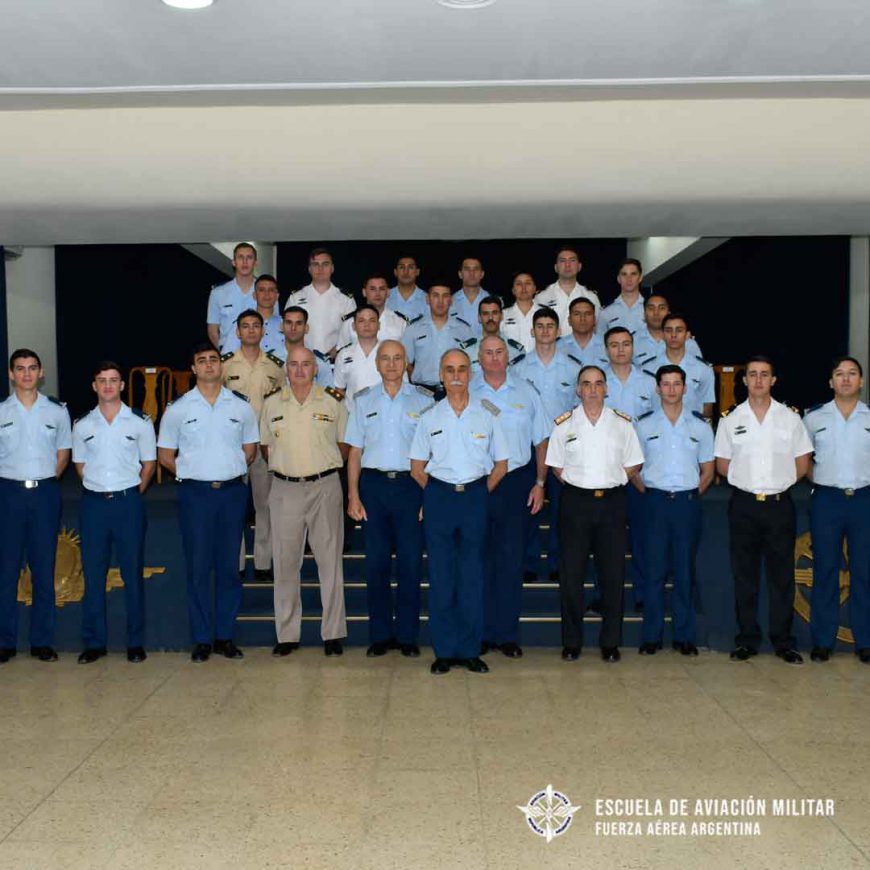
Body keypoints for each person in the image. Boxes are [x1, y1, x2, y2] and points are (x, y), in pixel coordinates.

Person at [157, 343, 259, 663]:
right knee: (199, 567)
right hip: (196, 495)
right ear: (194, 368)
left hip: (231, 494)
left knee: (230, 567)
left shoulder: (241, 406)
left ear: (221, 366)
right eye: (202, 361)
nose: (209, 365)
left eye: (214, 360)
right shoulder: (178, 409)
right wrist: (192, 473)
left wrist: (226, 470)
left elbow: (251, 449)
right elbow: (165, 456)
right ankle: (202, 638)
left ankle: (225, 636)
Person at [410, 349, 509, 675]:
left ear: (471, 374)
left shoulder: (488, 414)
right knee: (441, 577)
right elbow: (416, 467)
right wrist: (439, 494)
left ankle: (469, 650)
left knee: (471, 576)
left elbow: (501, 464)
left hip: (475, 497)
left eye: (462, 369)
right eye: (449, 369)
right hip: (439, 497)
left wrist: (478, 493)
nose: (455, 375)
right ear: (441, 374)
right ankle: (444, 650)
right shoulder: (429, 416)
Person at [714, 356, 813, 664]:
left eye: (764, 375)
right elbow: (722, 463)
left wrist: (777, 483)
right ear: (744, 381)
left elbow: (802, 462)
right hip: (743, 505)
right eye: (752, 375)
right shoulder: (731, 418)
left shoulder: (790, 418)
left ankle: (784, 641)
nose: (758, 380)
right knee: (745, 576)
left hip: (779, 505)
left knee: (782, 577)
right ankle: (747, 640)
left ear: (773, 380)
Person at [546, 365, 644, 663]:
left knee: (613, 575)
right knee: (571, 576)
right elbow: (556, 468)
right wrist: (582, 487)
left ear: (606, 389)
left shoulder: (622, 424)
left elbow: (633, 465)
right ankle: (572, 643)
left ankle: (610, 643)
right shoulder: (564, 425)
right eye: (586, 384)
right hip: (575, 502)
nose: (592, 389)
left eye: (598, 384)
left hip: (612, 503)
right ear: (578, 389)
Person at [345, 341, 433, 657]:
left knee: (410, 564)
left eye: (398, 358)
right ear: (378, 364)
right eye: (386, 358)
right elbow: (355, 452)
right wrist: (353, 495)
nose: (392, 364)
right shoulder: (363, 400)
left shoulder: (424, 401)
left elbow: (431, 454)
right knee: (377, 564)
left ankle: (408, 636)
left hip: (412, 488)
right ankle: (381, 635)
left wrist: (428, 497)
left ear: (406, 362)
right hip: (374, 487)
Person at [260, 346, 349, 657]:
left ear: (316, 369)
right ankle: (287, 634)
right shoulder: (271, 404)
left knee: (330, 563)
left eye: (306, 365)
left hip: (325, 486)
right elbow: (265, 447)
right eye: (294, 365)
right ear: (287, 369)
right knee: (285, 563)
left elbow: (344, 445)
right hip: (285, 489)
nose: (299, 370)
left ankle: (333, 634)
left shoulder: (333, 402)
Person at [72, 361, 156, 664]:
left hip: (128, 503)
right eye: (102, 381)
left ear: (122, 385)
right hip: (94, 505)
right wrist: (100, 488)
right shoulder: (82, 425)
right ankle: (95, 643)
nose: (108, 386)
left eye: (113, 380)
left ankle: (135, 643)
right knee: (93, 575)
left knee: (132, 573)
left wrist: (131, 492)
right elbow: (79, 466)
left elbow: (149, 464)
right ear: (94, 386)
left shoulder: (140, 422)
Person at [471, 336, 549, 658]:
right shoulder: (468, 391)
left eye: (499, 352)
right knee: (478, 561)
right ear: (478, 357)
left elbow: (542, 440)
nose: (493, 358)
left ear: (508, 356)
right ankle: (481, 633)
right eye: (487, 353)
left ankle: (506, 635)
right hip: (479, 482)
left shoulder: (526, 392)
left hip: (516, 482)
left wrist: (541, 482)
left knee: (511, 561)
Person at [633, 365, 714, 656]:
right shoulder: (642, 425)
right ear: (657, 389)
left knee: (684, 571)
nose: (670, 389)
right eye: (665, 384)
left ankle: (684, 636)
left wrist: (690, 494)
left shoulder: (700, 426)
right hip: (653, 503)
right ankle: (651, 636)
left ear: (684, 388)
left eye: (676, 384)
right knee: (653, 571)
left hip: (686, 505)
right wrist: (649, 493)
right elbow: (633, 468)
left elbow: (708, 470)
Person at [0, 349, 71, 664]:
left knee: (44, 568)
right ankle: (5, 642)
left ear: (41, 373)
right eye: (20, 369)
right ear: (11, 374)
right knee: (6, 570)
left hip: (44, 494)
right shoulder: (1, 411)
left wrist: (43, 482)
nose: (27, 374)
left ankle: (42, 641)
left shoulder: (56, 412)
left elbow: (63, 454)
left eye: (32, 368)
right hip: (8, 494)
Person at [803, 356, 870, 663]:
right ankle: (822, 640)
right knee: (826, 570)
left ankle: (865, 641)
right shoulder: (814, 418)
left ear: (861, 381)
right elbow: (803, 461)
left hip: (864, 500)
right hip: (827, 500)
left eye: (852, 374)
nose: (846, 379)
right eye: (839, 374)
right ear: (830, 382)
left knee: (864, 572)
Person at [515, 308, 581, 582]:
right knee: (528, 506)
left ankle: (557, 562)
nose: (544, 331)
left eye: (549, 326)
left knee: (562, 511)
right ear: (532, 331)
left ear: (558, 331)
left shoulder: (573, 367)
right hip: (529, 448)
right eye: (539, 326)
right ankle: (529, 562)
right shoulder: (518, 368)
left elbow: (579, 411)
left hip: (563, 448)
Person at [221, 310, 287, 581]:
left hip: (264, 445)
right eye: (245, 326)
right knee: (235, 507)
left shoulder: (274, 366)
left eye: (255, 326)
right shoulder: (224, 365)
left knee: (265, 505)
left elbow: (282, 404)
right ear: (237, 332)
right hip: (233, 447)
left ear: (263, 331)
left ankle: (263, 561)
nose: (250, 331)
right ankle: (235, 562)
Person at [602, 326, 656, 609]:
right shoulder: (598, 383)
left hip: (640, 475)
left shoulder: (649, 384)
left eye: (625, 344)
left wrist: (637, 474)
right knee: (603, 544)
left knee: (641, 541)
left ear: (633, 347)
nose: (620, 350)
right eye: (614, 345)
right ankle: (605, 598)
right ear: (606, 349)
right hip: (603, 474)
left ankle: (642, 596)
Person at [402, 281, 474, 398]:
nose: (440, 301)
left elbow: (472, 362)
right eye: (435, 295)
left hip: (455, 391)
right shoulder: (414, 329)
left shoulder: (464, 330)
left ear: (450, 300)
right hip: (421, 392)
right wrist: (414, 376)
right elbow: (404, 360)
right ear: (427, 299)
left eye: (445, 296)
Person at [284, 248, 356, 358]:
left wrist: (338, 349)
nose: (320, 269)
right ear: (309, 269)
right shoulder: (296, 297)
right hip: (302, 360)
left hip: (335, 360)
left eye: (325, 264)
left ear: (332, 268)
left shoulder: (346, 299)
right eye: (315, 264)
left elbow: (352, 331)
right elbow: (287, 329)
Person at [206, 242, 258, 353]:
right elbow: (212, 330)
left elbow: (273, 324)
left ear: (255, 262)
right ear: (234, 262)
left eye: (249, 257)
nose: (245, 262)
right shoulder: (218, 293)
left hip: (258, 354)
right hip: (229, 354)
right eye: (240, 257)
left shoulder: (266, 292)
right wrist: (224, 352)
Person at [536, 247, 602, 333]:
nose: (567, 265)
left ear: (579, 266)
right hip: (552, 346)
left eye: (572, 260)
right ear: (556, 267)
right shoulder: (542, 297)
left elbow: (598, 329)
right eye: (563, 261)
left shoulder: (590, 296)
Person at [333, 305, 383, 411]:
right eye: (361, 321)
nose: (367, 325)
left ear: (379, 325)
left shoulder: (389, 352)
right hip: (352, 415)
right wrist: (342, 413)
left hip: (383, 414)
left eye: (372, 321)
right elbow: (339, 389)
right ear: (353, 326)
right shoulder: (344, 355)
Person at [337, 274, 408, 349]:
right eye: (372, 289)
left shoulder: (400, 322)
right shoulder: (350, 322)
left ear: (388, 292)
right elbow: (342, 353)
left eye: (382, 289)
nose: (377, 294)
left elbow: (406, 354)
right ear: (364, 292)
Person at [633, 294, 702, 367]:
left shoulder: (687, 342)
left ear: (669, 313)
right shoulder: (632, 341)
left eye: (662, 308)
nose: (656, 313)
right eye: (651, 308)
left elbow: (700, 372)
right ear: (644, 314)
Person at [272, 305, 334, 386]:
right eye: (289, 323)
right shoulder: (269, 360)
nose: (293, 328)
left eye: (299, 323)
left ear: (306, 328)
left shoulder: (319, 361)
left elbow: (328, 396)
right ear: (281, 327)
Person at [470, 296, 526, 369]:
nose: (490, 318)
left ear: (502, 316)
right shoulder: (467, 351)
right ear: (479, 318)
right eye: (485, 314)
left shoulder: (517, 351)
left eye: (495, 313)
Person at [597, 258, 647, 337]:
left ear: (640, 278)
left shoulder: (650, 309)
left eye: (633, 274)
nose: (629, 279)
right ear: (618, 279)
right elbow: (601, 343)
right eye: (624, 274)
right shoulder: (606, 312)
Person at [557, 298, 608, 366]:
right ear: (569, 320)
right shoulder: (557, 347)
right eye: (577, 314)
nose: (582, 318)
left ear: (594, 320)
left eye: (587, 314)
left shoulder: (607, 345)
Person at [501, 272, 541, 354]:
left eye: (528, 283)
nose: (523, 287)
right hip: (511, 363)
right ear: (513, 290)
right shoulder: (503, 314)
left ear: (534, 288)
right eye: (519, 284)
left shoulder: (545, 314)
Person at [450, 257, 487, 336]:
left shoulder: (492, 300)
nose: (472, 273)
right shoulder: (450, 301)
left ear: (482, 274)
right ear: (460, 274)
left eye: (476, 269)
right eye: (467, 269)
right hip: (456, 347)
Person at [387, 256, 428, 323]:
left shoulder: (428, 299)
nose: (406, 271)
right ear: (395, 272)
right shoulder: (385, 298)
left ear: (417, 272)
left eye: (410, 267)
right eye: (402, 267)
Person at [252, 274, 285, 357]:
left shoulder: (287, 324)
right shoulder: (241, 324)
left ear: (277, 296)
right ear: (254, 295)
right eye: (262, 290)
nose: (266, 294)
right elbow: (228, 356)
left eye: (271, 290)